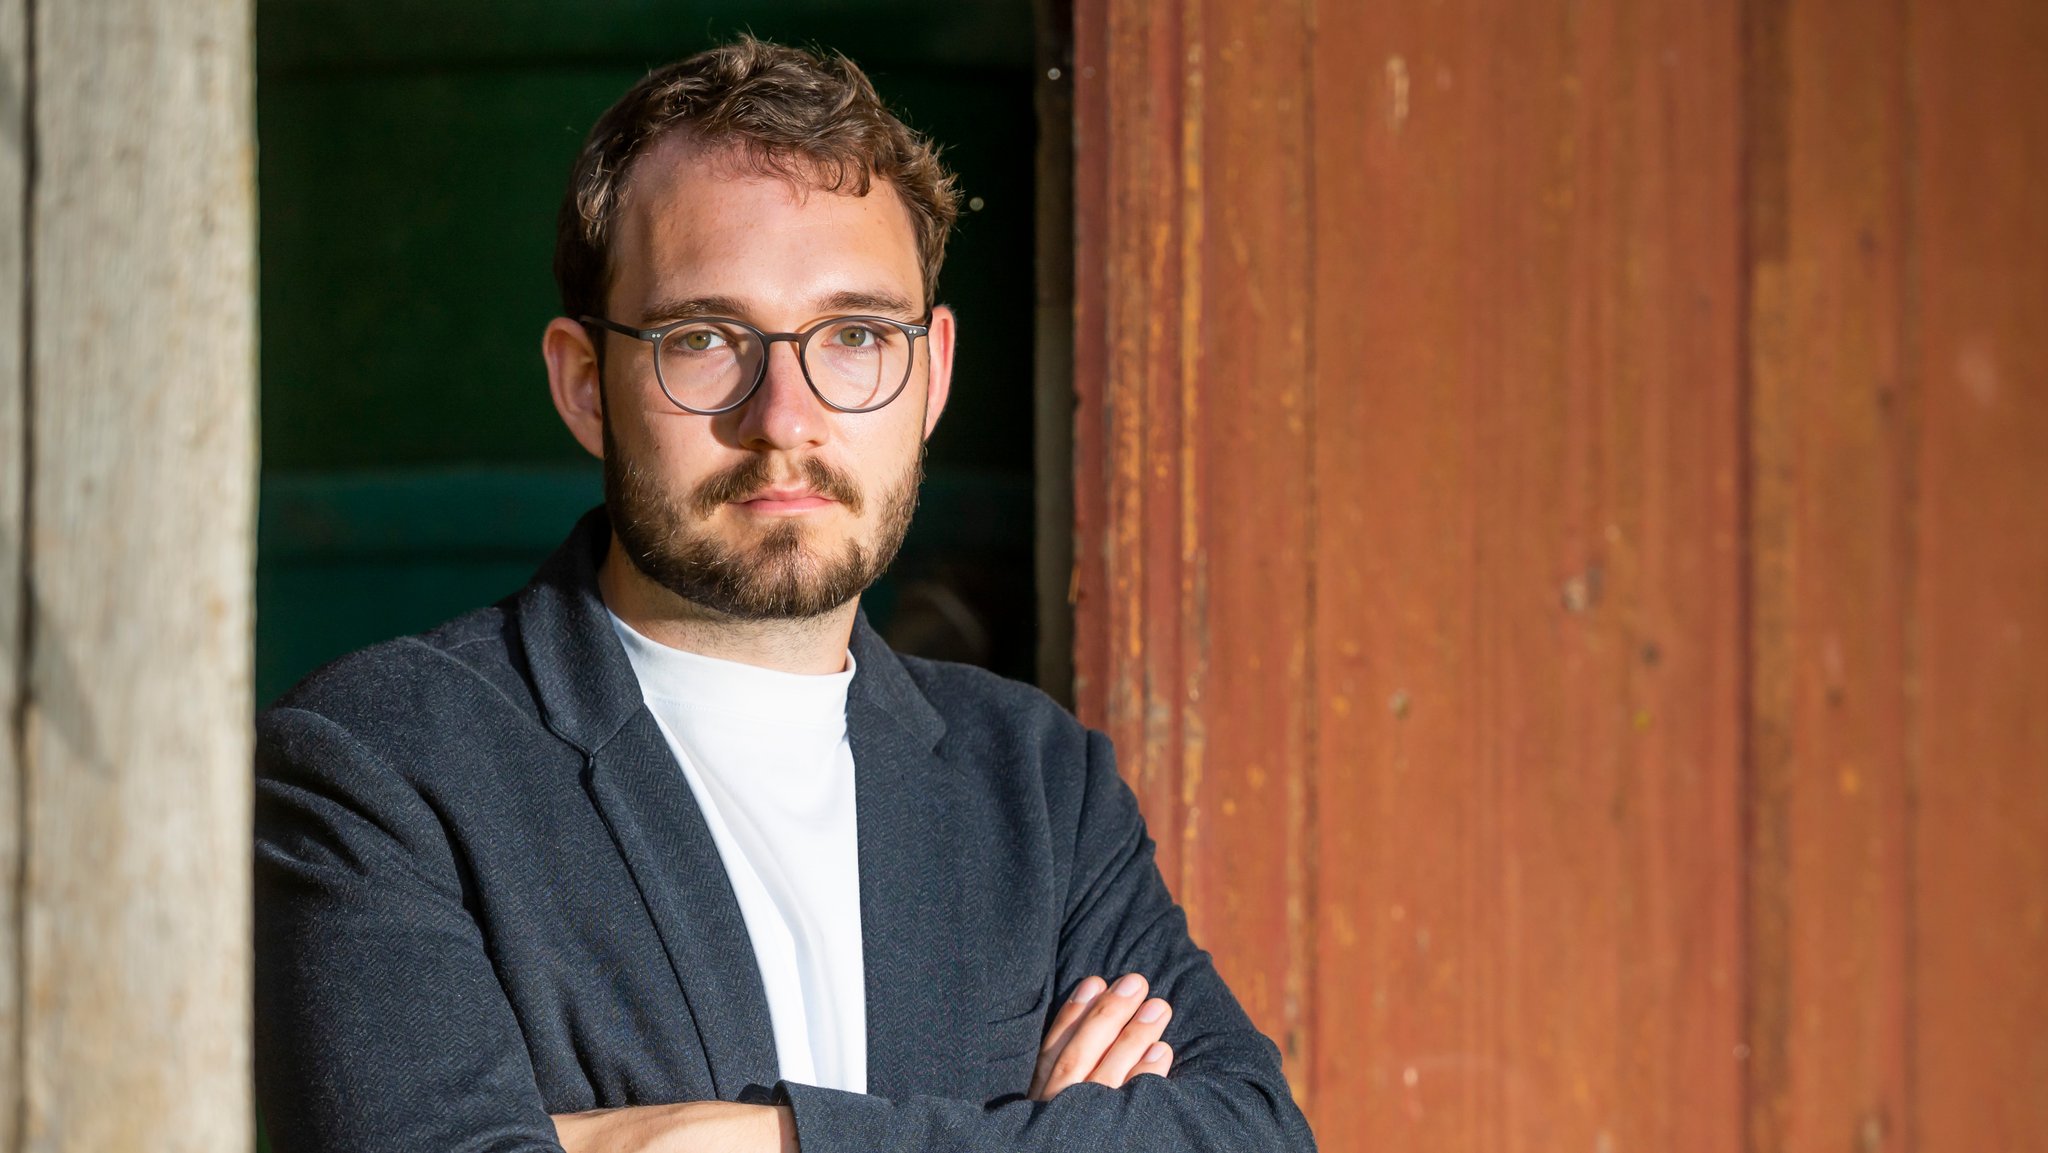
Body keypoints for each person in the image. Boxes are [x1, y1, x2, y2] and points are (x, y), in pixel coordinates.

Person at [254, 37, 1315, 1153]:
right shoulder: (379, 761)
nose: (786, 417)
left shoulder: (1039, 786)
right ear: (583, 384)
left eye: (854, 337)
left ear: (932, 376)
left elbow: (1245, 1136)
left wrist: (750, 1139)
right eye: (704, 339)